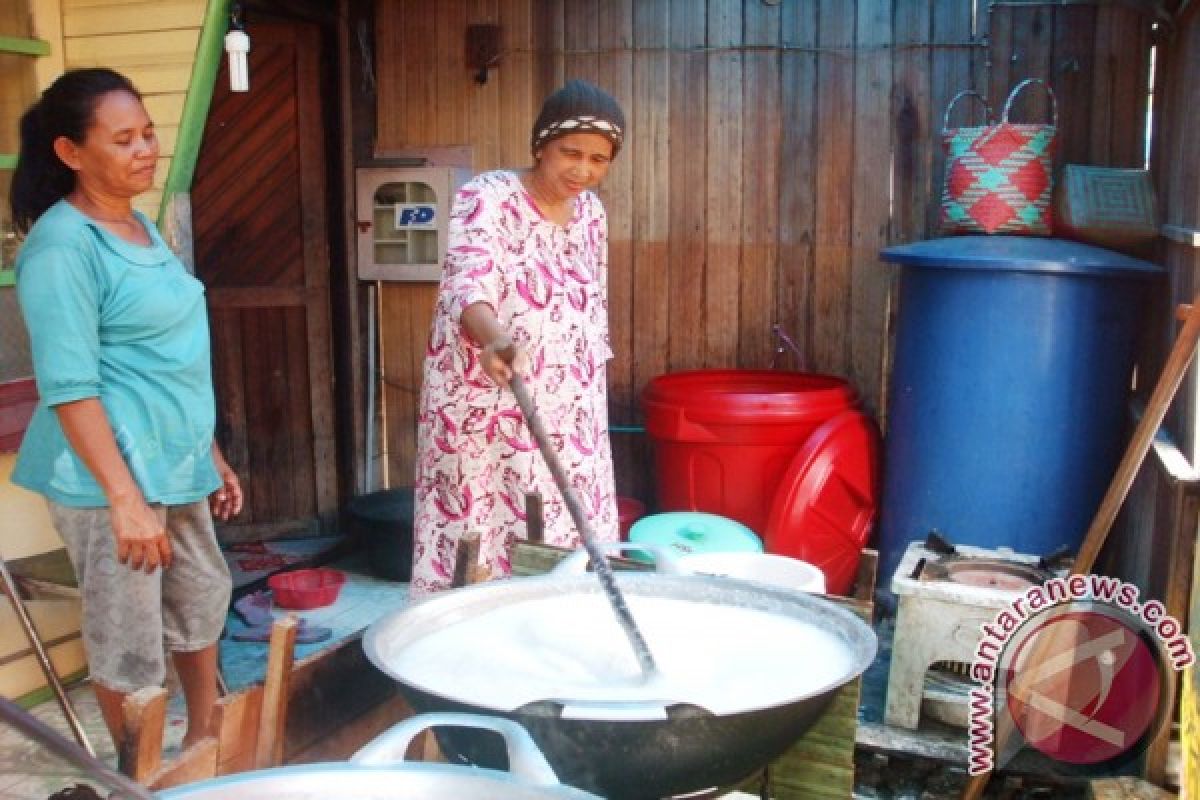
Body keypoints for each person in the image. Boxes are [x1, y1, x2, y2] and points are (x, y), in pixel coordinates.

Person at [9, 68, 241, 753]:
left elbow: (167, 354)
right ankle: (137, 776)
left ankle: (204, 748)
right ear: (71, 153)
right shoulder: (62, 246)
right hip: (110, 480)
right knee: (130, 639)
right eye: (123, 139)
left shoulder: (138, 224)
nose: (146, 148)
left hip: (177, 463)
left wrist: (210, 452)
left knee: (199, 600)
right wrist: (124, 500)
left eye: (147, 133)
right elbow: (71, 385)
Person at [411, 79, 626, 597]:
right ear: (539, 147)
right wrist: (494, 340)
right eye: (569, 153)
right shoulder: (487, 197)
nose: (583, 170)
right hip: (488, 404)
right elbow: (468, 285)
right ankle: (465, 655)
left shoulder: (591, 213)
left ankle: (554, 639)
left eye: (599, 159)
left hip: (569, 407)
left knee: (568, 536)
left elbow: (589, 298)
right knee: (481, 531)